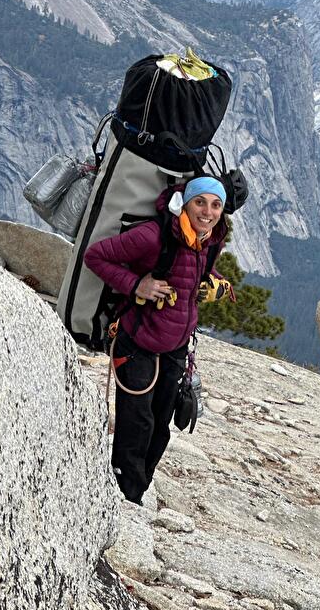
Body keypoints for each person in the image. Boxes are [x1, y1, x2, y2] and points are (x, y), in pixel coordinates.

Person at [84, 175, 230, 504]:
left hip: (176, 346)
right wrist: (138, 286)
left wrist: (216, 282)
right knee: (138, 424)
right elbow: (95, 257)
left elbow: (195, 273)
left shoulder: (208, 240)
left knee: (161, 424)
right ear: (186, 203)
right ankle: (124, 497)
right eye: (200, 202)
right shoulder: (154, 236)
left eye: (216, 205)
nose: (207, 211)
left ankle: (137, 490)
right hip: (136, 341)